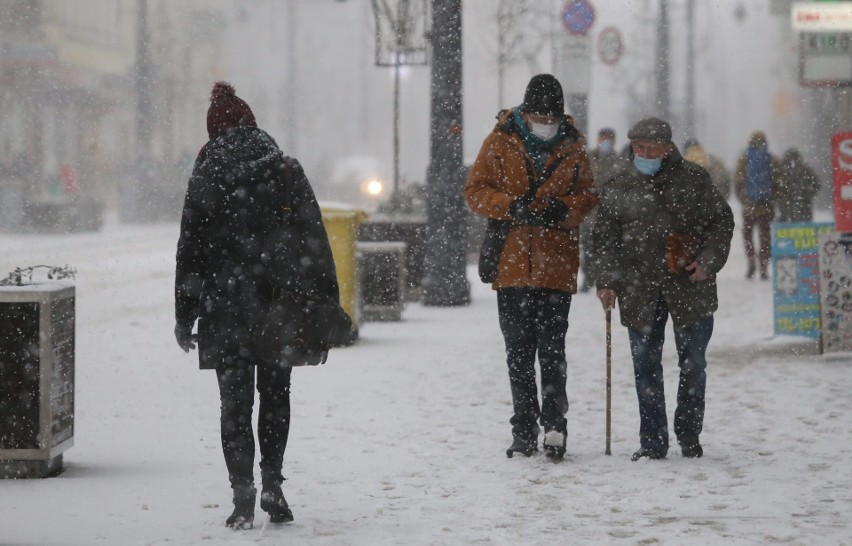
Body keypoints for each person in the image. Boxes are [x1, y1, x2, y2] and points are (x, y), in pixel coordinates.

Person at [174, 82, 339, 529]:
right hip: (278, 306)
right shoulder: (285, 171)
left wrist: (185, 313)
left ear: (214, 134)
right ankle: (272, 482)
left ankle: (241, 495)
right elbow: (315, 241)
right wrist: (328, 302)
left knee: (234, 404)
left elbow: (189, 250)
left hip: (225, 307)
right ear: (253, 124)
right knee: (276, 397)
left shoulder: (207, 174)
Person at [465, 74, 598, 460]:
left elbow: (589, 197)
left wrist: (566, 209)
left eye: (551, 116)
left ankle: (555, 425)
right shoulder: (500, 141)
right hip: (513, 265)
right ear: (526, 112)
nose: (545, 122)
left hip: (556, 265)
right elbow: (475, 191)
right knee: (519, 354)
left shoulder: (574, 148)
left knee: (553, 351)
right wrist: (510, 206)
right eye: (539, 115)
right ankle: (523, 428)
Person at [593, 117, 734, 461]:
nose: (645, 153)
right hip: (639, 288)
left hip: (689, 286)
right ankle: (653, 440)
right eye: (639, 147)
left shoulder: (694, 179)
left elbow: (722, 222)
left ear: (668, 147)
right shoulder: (619, 184)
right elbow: (605, 237)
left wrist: (708, 262)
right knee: (644, 364)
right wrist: (607, 281)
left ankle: (688, 433)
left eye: (652, 148)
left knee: (693, 364)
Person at [580, 127, 628, 292]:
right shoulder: (588, 158)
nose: (606, 142)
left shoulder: (619, 160)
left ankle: (607, 279)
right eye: (603, 138)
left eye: (609, 139)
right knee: (587, 248)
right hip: (590, 213)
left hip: (609, 213)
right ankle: (588, 277)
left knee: (609, 248)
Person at [734, 131, 781, 280]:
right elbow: (779, 183)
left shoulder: (744, 159)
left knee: (748, 234)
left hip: (749, 206)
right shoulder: (772, 159)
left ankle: (751, 260)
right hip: (766, 206)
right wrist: (772, 198)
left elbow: (738, 181)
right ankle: (764, 266)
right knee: (765, 236)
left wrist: (744, 199)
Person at [777, 148, 821, 223]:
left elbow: (775, 186)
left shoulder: (781, 170)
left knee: (786, 232)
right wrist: (808, 193)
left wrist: (780, 196)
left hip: (786, 209)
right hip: (804, 207)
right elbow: (817, 184)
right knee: (804, 231)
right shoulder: (805, 170)